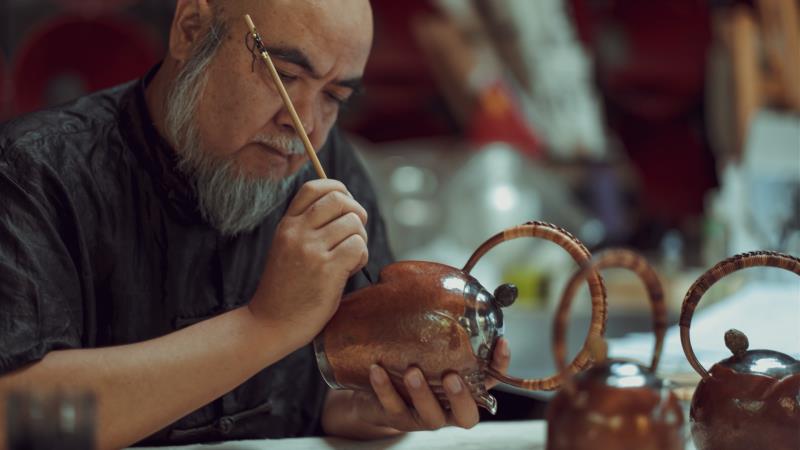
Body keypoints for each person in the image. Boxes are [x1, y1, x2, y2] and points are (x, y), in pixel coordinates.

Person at [0, 0, 511, 448]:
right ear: (190, 29)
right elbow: (15, 422)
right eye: (284, 76)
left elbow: (326, 394)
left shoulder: (329, 169)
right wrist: (262, 327)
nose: (305, 123)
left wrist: (372, 409)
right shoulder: (36, 172)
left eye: (334, 96)